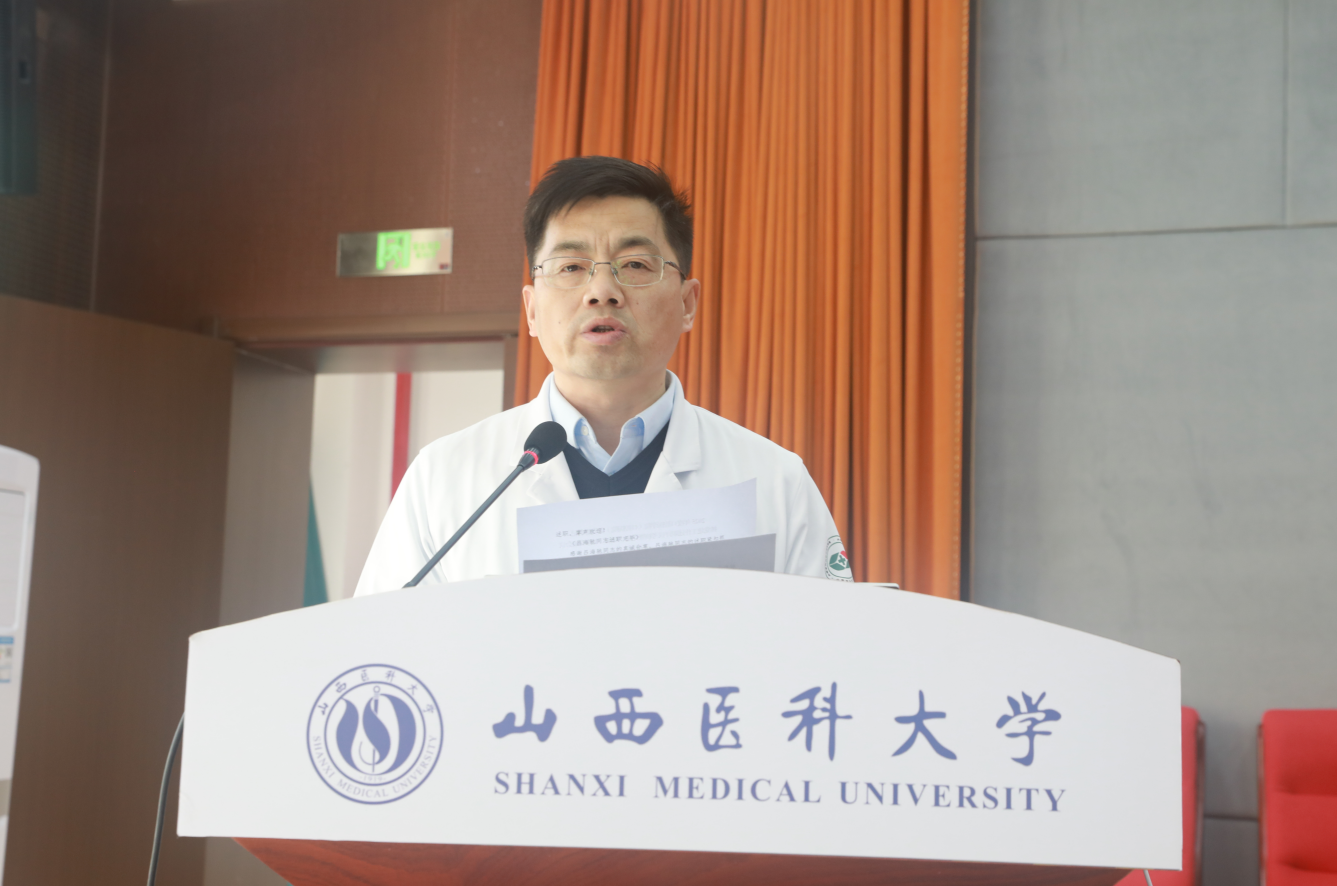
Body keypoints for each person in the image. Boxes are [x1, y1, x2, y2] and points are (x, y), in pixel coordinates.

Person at [354, 156, 849, 595]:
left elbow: (831, 649)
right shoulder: (444, 478)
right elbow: (379, 648)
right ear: (531, 310)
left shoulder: (775, 479)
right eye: (571, 267)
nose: (602, 290)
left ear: (687, 303)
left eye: (634, 264)